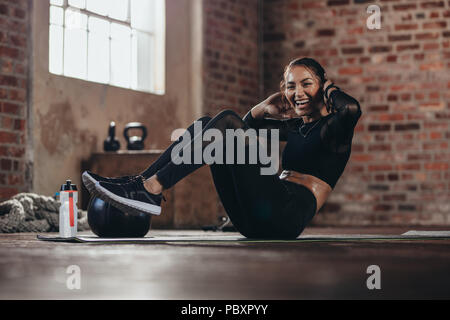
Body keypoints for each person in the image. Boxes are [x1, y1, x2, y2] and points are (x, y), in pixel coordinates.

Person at [82, 57, 362, 239]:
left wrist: (329, 88)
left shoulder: (335, 130)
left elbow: (350, 107)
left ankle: (152, 188)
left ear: (322, 85)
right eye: (291, 86)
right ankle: (142, 184)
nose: (297, 92)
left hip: (286, 216)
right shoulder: (297, 127)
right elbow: (241, 129)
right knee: (205, 124)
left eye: (306, 84)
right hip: (253, 219)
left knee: (225, 120)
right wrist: (262, 108)